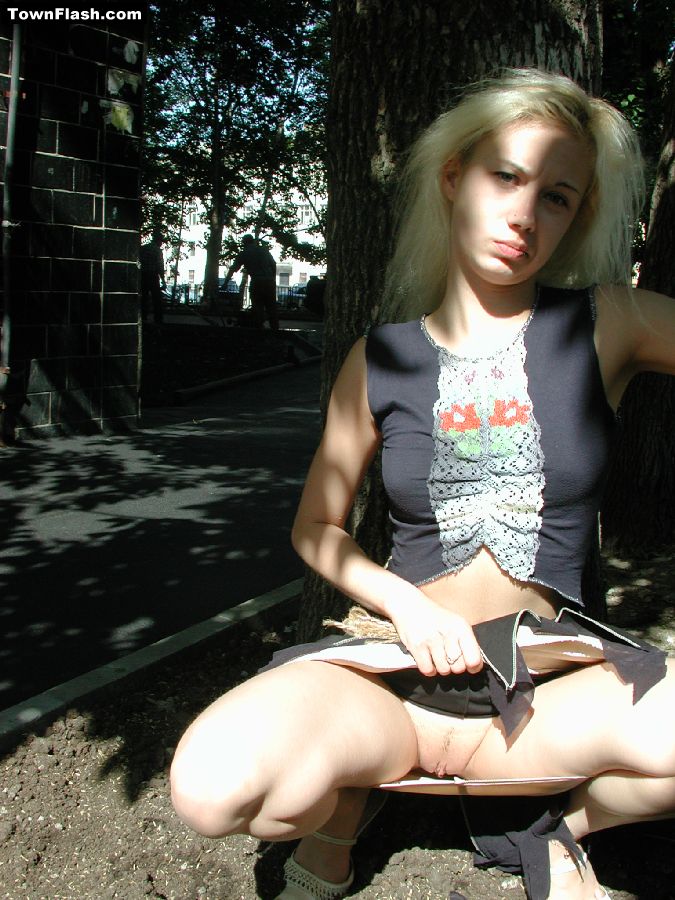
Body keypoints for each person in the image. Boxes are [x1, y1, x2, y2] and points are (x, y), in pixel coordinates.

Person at [170, 69, 675, 900]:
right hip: (390, 680)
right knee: (212, 788)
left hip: (543, 702)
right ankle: (345, 805)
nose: (524, 214)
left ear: (575, 217)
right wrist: (403, 605)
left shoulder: (607, 321)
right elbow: (314, 527)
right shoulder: (380, 358)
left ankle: (557, 828)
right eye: (504, 176)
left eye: (555, 198)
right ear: (452, 177)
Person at [224, 234, 279, 330]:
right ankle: (275, 330)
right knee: (271, 307)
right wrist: (272, 278)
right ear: (253, 241)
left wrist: (225, 283)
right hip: (269, 282)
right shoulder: (264, 251)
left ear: (244, 243)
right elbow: (273, 265)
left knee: (258, 307)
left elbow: (233, 268)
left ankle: (259, 329)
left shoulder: (244, 253)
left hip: (257, 282)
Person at [139, 228, 166, 325]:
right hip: (153, 275)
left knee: (144, 297)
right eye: (161, 241)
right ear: (158, 241)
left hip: (143, 274)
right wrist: (163, 280)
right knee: (156, 298)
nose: (161, 243)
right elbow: (160, 266)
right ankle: (158, 318)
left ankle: (143, 316)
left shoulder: (143, 248)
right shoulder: (157, 251)